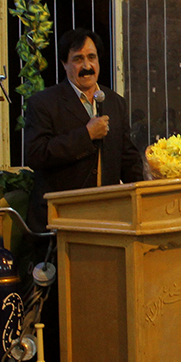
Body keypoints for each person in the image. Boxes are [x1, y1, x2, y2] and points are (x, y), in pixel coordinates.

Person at [22, 29, 143, 233]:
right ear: (64, 63)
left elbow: (128, 158)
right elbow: (36, 155)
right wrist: (86, 135)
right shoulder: (43, 103)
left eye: (91, 57)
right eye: (78, 59)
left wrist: (145, 195)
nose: (87, 66)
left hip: (108, 217)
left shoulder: (115, 103)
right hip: (62, 218)